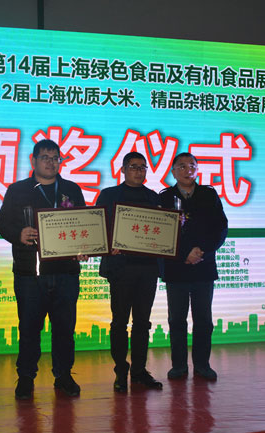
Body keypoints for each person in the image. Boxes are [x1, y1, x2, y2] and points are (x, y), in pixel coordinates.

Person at [0, 139, 86, 399]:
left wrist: (85, 246)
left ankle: (64, 375)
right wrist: (18, 233)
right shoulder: (17, 190)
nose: (50, 162)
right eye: (45, 157)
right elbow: (3, 223)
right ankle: (26, 377)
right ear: (33, 160)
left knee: (65, 329)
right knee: (28, 328)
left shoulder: (71, 189)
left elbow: (84, 224)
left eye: (55, 158)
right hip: (30, 273)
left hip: (66, 272)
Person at [97, 151, 163, 393]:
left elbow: (162, 230)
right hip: (120, 268)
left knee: (143, 323)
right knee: (119, 322)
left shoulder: (154, 197)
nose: (139, 171)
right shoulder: (109, 195)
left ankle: (139, 370)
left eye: (143, 167)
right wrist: (108, 244)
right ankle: (120, 370)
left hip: (148, 268)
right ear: (123, 169)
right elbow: (97, 225)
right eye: (134, 166)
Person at [159, 153, 228, 381]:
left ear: (197, 170)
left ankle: (202, 365)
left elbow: (221, 228)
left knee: (203, 320)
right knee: (176, 320)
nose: (187, 170)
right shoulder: (165, 197)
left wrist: (202, 251)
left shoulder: (209, 195)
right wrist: (183, 254)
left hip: (203, 266)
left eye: (192, 166)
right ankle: (179, 366)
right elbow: (161, 233)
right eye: (182, 166)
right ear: (173, 171)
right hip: (176, 268)